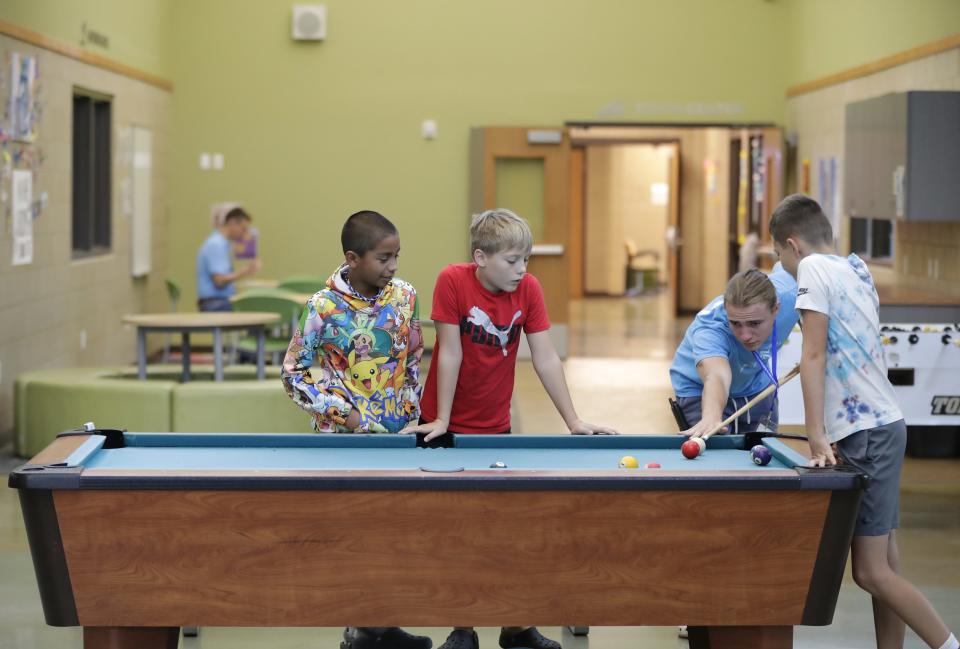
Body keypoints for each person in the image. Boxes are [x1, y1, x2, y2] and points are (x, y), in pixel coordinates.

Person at [406, 207, 616, 649]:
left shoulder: (530, 289)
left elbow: (544, 357)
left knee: (506, 529)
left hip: (495, 426)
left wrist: (573, 421)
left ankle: (517, 628)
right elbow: (448, 352)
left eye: (526, 260)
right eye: (512, 260)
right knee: (454, 534)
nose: (522, 270)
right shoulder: (452, 280)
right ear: (480, 257)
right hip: (442, 427)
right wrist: (442, 420)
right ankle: (462, 629)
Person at [770, 194, 958, 649]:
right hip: (887, 424)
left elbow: (812, 354)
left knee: (870, 571)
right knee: (885, 566)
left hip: (865, 433)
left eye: (779, 257)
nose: (783, 266)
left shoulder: (812, 269)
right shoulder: (855, 267)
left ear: (793, 245)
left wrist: (816, 437)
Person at [280, 210, 430, 649]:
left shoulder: (405, 297)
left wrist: (414, 413)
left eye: (397, 256)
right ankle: (359, 631)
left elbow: (413, 359)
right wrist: (345, 417)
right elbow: (293, 375)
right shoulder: (321, 307)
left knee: (395, 537)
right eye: (384, 258)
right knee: (354, 538)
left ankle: (384, 627)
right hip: (342, 443)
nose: (394, 267)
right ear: (353, 258)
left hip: (399, 439)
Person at [669, 266, 799, 438]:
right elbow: (716, 376)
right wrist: (711, 417)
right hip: (700, 390)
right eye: (736, 323)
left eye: (754, 323)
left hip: (757, 383)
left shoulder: (793, 294)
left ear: (776, 308)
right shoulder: (710, 330)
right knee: (717, 459)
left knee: (764, 451)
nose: (745, 336)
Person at [195, 205, 261, 311]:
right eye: (243, 229)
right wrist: (246, 271)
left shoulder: (223, 244)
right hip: (215, 303)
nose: (244, 233)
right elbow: (219, 281)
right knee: (257, 310)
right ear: (232, 223)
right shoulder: (216, 244)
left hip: (220, 300)